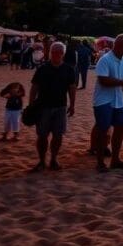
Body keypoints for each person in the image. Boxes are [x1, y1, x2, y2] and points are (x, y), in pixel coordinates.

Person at [29, 42, 77, 172]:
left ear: (63, 54)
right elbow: (34, 87)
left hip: (61, 106)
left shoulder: (68, 69)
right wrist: (31, 104)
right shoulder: (42, 68)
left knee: (58, 135)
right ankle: (41, 161)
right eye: (54, 52)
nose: (56, 54)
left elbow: (72, 88)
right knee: (42, 135)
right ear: (50, 53)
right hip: (43, 106)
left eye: (59, 52)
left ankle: (54, 159)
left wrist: (72, 105)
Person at [93, 34, 123, 173]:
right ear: (118, 45)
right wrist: (122, 82)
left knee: (120, 127)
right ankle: (100, 162)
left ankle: (115, 159)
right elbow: (103, 81)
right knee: (103, 130)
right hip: (103, 100)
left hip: (119, 100)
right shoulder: (105, 60)